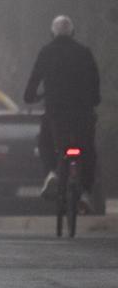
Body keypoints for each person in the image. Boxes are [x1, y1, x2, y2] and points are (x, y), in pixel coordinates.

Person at [23, 15, 100, 211]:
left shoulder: (46, 52)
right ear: (72, 33)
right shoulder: (84, 53)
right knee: (88, 150)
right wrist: (93, 100)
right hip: (83, 114)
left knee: (45, 141)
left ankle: (52, 173)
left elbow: (33, 83)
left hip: (56, 114)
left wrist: (31, 96)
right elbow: (95, 83)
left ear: (52, 33)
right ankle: (84, 192)